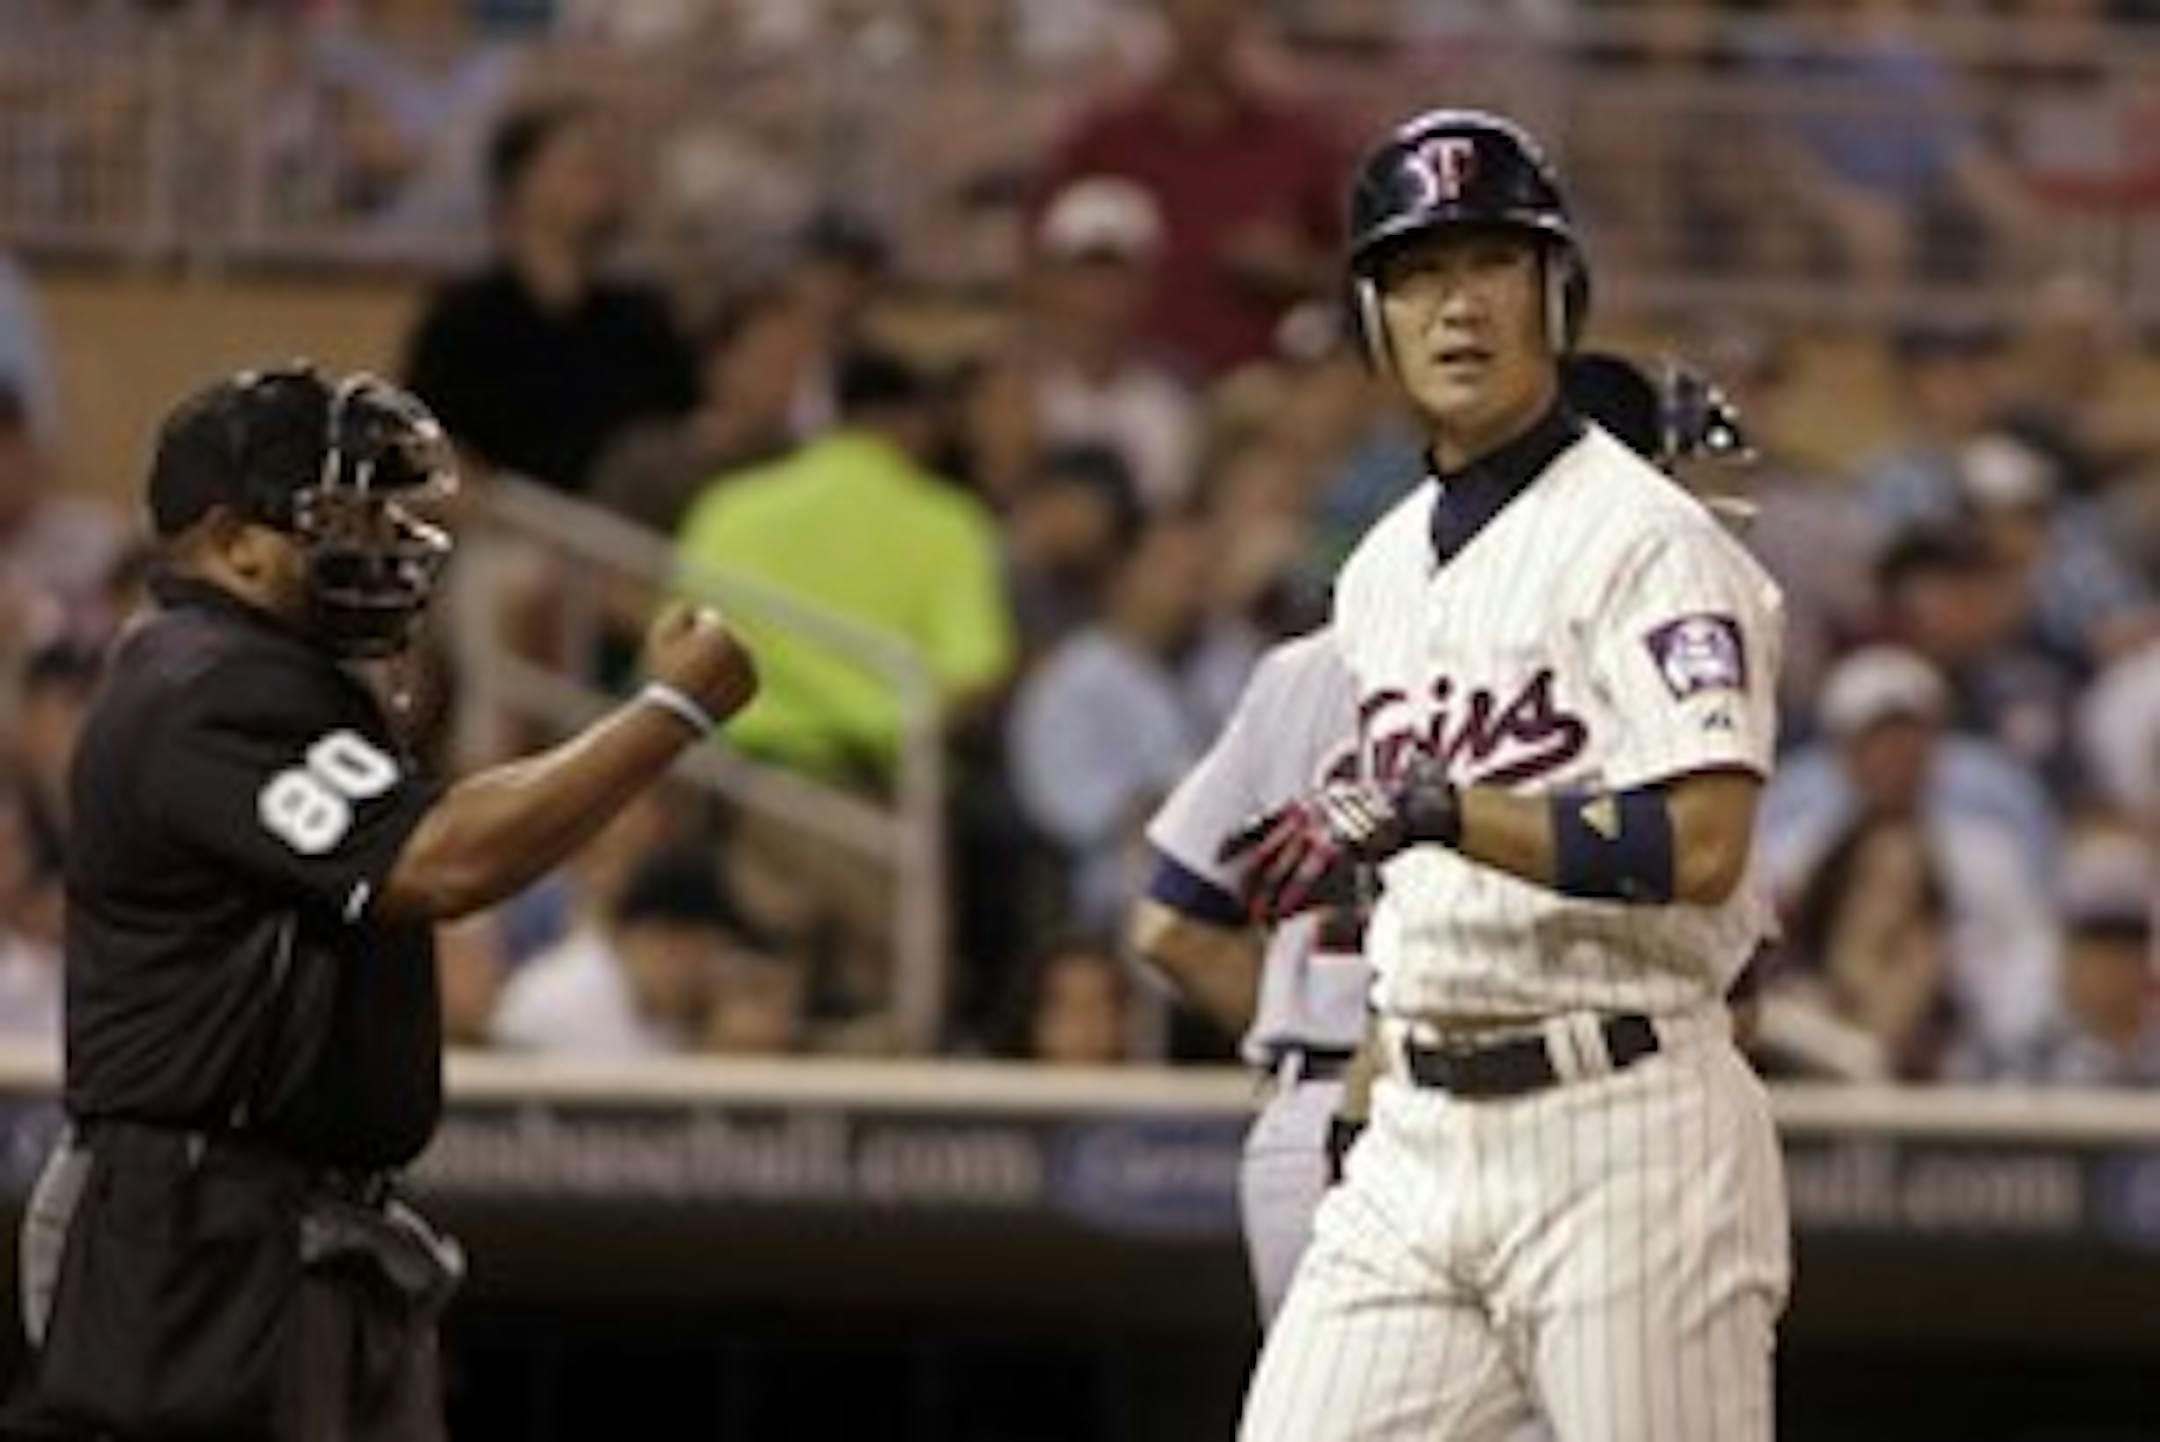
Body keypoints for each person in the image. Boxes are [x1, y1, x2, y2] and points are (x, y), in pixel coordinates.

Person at [5, 363, 756, 1439]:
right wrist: (672, 710)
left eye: (390, 513)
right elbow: (441, 859)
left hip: (279, 1223)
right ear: (234, 539)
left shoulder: (271, 673)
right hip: (199, 1238)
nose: (388, 541)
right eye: (346, 516)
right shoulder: (203, 681)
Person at [1232, 111, 1789, 1442]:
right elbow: (1427, 882)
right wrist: (1365, 1081)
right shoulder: (1379, 566)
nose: (1457, 304)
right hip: (1422, 1134)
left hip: (1624, 1121)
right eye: (1418, 272)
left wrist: (1441, 809)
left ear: (1555, 292)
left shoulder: (1651, 540)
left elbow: (1703, 845)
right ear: (1373, 317)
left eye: (1491, 262)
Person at [1130, 351, 1761, 1335]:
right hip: (1547, 1105)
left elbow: (1172, 924)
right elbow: (1728, 965)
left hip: (1330, 1101)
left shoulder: (1319, 657)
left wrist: (1304, 1042)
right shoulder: (1618, 675)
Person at [402, 101, 696, 494]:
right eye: (585, 167)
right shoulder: (464, 320)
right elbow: (424, 450)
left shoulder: (642, 317)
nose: (605, 184)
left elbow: (680, 433)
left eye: (610, 169)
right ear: (521, 184)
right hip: (504, 521)